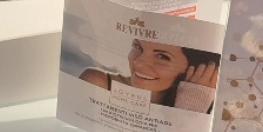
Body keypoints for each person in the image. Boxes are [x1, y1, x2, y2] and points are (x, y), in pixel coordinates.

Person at [79, 39, 220, 113]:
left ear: (195, 68)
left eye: (162, 57)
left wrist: (190, 109)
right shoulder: (96, 81)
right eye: (137, 47)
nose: (138, 63)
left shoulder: (204, 102)